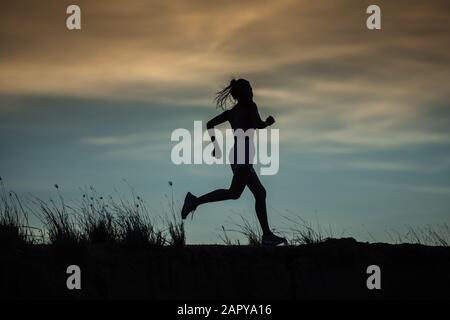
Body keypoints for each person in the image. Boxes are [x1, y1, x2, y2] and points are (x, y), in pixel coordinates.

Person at [181, 78, 286, 246]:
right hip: (242, 155)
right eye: (249, 90)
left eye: (252, 89)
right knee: (235, 192)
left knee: (259, 193)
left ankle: (267, 235)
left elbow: (210, 124)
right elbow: (258, 125)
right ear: (242, 93)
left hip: (237, 154)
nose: (252, 93)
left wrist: (215, 145)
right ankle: (195, 201)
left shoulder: (232, 112)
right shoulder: (251, 107)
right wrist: (268, 122)